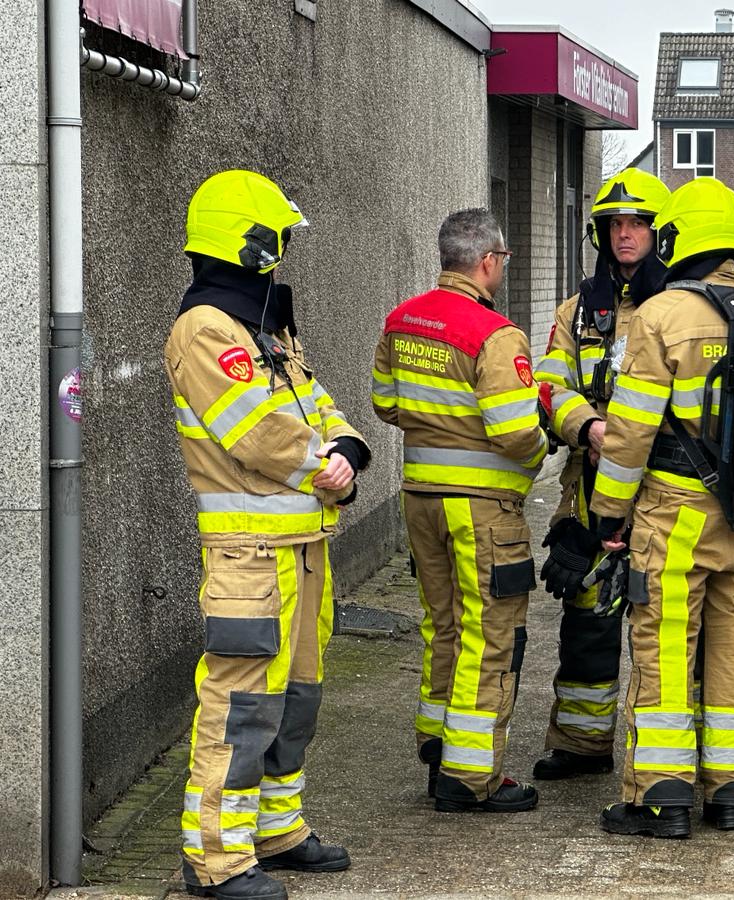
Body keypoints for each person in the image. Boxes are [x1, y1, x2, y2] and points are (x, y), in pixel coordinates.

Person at [165, 169, 369, 900]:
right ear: (250, 244)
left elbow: (314, 403)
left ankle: (277, 830)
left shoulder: (263, 324)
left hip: (302, 548)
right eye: (278, 240)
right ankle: (215, 860)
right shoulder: (205, 329)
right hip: (249, 555)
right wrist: (326, 466)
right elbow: (257, 431)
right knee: (241, 706)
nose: (283, 254)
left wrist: (348, 447)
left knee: (296, 698)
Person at [586, 177, 734, 838]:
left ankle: (661, 797)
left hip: (674, 514)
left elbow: (630, 433)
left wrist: (609, 514)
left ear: (677, 238)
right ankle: (731, 792)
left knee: (664, 646)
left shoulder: (660, 315)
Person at [370, 209, 547, 813]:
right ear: (489, 261)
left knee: (441, 625)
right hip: (482, 511)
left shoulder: (403, 320)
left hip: (421, 501)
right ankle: (471, 780)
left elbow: (386, 404)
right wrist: (542, 448)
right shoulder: (496, 335)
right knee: (490, 634)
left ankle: (438, 749)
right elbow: (517, 432)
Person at [532, 167, 670, 781]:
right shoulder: (577, 310)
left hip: (663, 485)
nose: (624, 234)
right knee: (588, 612)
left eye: (637, 223)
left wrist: (636, 439)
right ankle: (581, 744)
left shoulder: (678, 307)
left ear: (660, 233)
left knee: (663, 614)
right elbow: (547, 386)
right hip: (588, 486)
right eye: (614, 224)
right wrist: (587, 426)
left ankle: (669, 756)